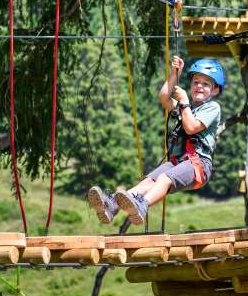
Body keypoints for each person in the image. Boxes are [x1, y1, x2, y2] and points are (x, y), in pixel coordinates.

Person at [87, 56, 224, 225]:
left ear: (215, 90)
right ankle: (112, 205)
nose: (199, 86)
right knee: (148, 181)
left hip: (199, 164)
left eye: (205, 84)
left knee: (164, 178)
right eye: (196, 82)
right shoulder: (185, 107)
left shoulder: (212, 107)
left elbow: (191, 127)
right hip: (179, 161)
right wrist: (174, 74)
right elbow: (164, 98)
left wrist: (184, 102)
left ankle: (142, 205)